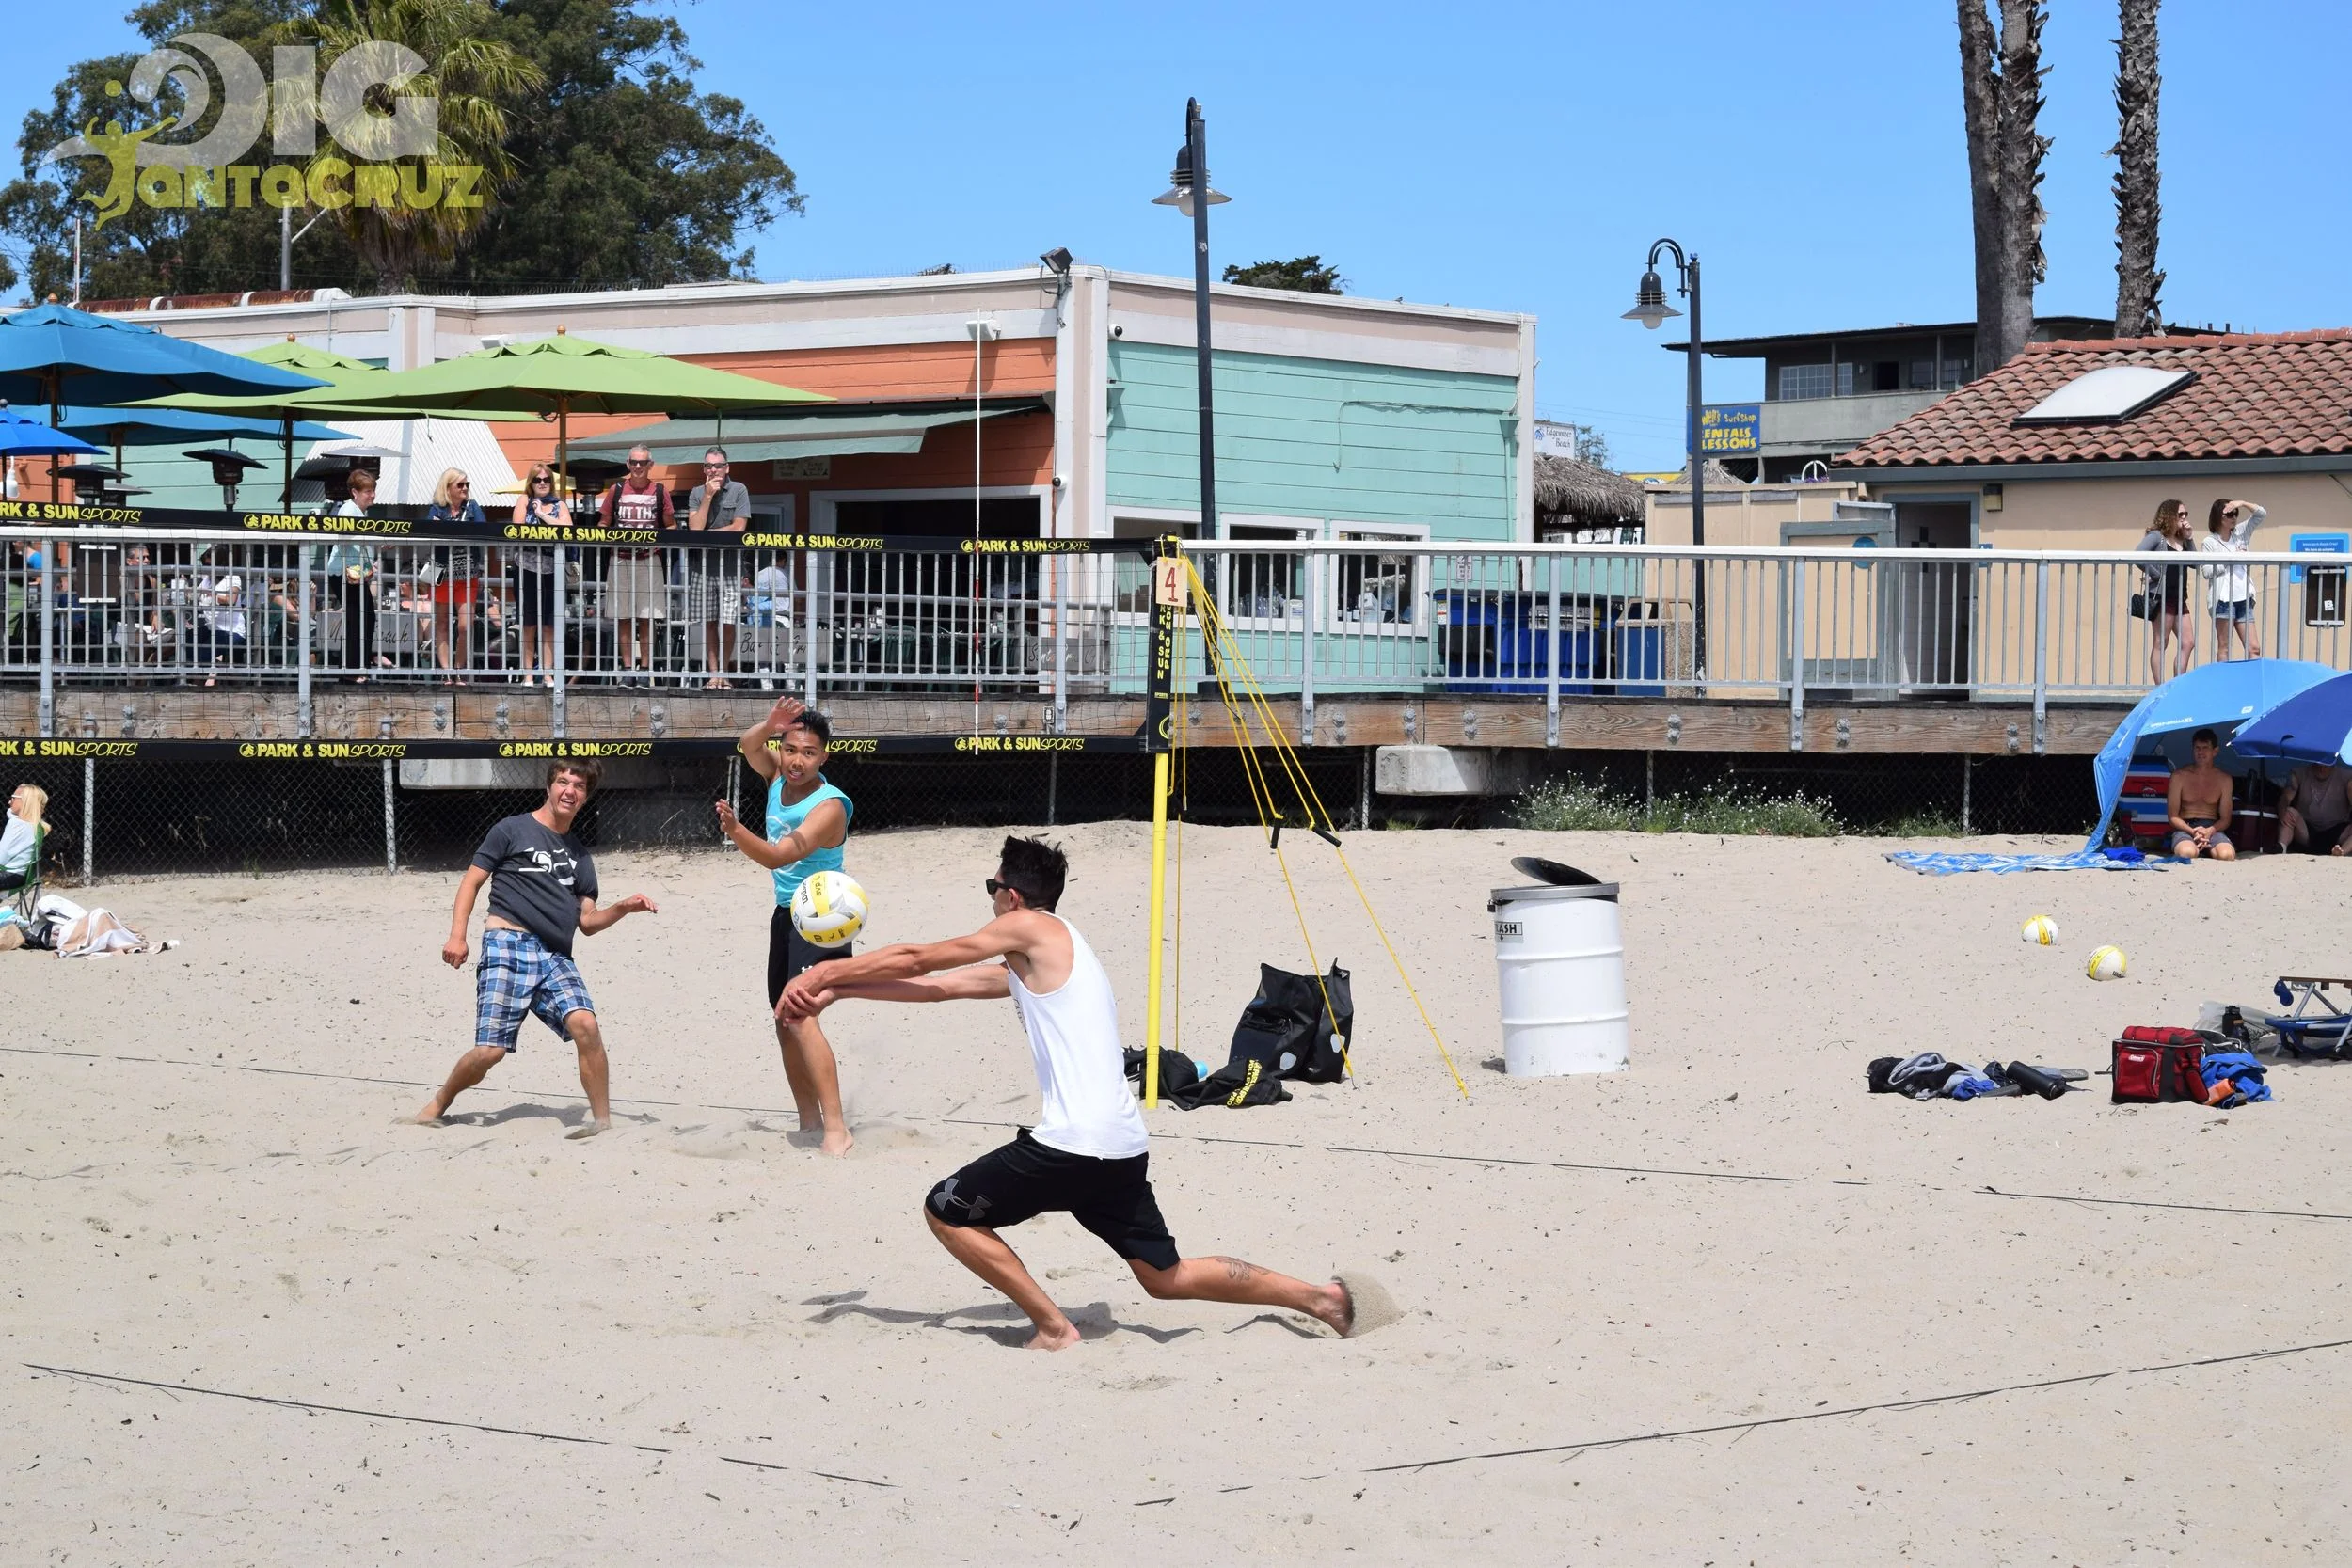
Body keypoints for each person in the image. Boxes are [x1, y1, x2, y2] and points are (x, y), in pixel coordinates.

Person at [781, 835, 1364, 1351]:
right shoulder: (1057, 952)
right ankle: (1320, 1298)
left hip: (1071, 1145)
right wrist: (843, 995)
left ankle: (1054, 1327)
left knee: (946, 1210)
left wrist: (822, 972)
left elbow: (919, 956)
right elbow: (938, 987)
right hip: (1120, 1145)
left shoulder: (1027, 926)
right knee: (1167, 1278)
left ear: (1012, 896)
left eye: (993, 886)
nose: (990, 898)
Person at [407, 759, 658, 1137]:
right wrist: (457, 935)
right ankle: (440, 1101)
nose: (569, 790)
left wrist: (623, 908)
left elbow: (587, 923)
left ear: (585, 796)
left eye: (578, 786)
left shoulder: (581, 856)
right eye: (563, 782)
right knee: (490, 1051)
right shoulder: (511, 829)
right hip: (508, 942)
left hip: (555, 955)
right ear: (549, 787)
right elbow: (471, 882)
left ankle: (602, 1122)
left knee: (585, 1024)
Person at [716, 695, 856, 1156]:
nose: (797, 761)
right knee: (783, 1019)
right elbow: (747, 746)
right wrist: (770, 724)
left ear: (825, 756)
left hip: (822, 919)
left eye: (809, 753)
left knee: (800, 1016)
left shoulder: (830, 805)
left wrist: (736, 832)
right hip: (786, 914)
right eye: (791, 749)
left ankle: (837, 1129)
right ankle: (808, 1120)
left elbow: (779, 855)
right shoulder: (778, 774)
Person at [598, 445, 673, 686]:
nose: (638, 467)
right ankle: (628, 668)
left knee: (647, 617)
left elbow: (671, 526)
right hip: (619, 559)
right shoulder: (616, 490)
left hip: (649, 559)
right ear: (628, 464)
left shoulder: (660, 491)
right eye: (634, 462)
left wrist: (657, 543)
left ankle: (645, 669)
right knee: (622, 616)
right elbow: (604, 521)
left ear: (651, 465)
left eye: (643, 463)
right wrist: (603, 538)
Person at [684, 446, 751, 689]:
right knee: (710, 621)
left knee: (729, 621)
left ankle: (724, 672)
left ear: (727, 467)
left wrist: (707, 535)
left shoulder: (739, 489)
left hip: (731, 568)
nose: (714, 470)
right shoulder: (696, 493)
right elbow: (694, 528)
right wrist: (708, 498)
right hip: (702, 568)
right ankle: (714, 675)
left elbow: (738, 527)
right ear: (704, 469)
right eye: (709, 466)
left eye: (718, 465)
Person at [426, 467, 487, 684]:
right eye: (460, 485)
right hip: (441, 570)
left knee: (465, 625)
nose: (465, 489)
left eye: (466, 485)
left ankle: (459, 668)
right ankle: (446, 671)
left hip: (468, 571)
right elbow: (430, 532)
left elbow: (482, 529)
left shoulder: (472, 507)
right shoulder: (437, 508)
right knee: (441, 622)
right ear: (448, 487)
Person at [509, 463, 567, 687]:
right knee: (528, 624)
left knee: (549, 625)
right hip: (526, 568)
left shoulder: (559, 504)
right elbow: (517, 528)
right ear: (531, 483)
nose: (542, 483)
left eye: (546, 480)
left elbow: (567, 528)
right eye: (537, 480)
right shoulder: (524, 500)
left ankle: (547, 673)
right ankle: (528, 674)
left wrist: (542, 514)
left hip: (553, 569)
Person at [323, 468, 382, 683]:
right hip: (345, 572)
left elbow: (357, 542)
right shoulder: (349, 509)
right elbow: (346, 538)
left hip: (351, 573)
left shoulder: (358, 511)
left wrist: (377, 546)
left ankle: (351, 668)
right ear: (354, 492)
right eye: (368, 491)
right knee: (361, 618)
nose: (372, 495)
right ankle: (354, 669)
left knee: (361, 618)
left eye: (373, 490)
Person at [2137, 499, 2196, 684]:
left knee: (2188, 642)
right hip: (2162, 596)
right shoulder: (2157, 536)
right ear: (2170, 515)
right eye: (2180, 514)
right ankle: (2160, 687)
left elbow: (2195, 563)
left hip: (2179, 597)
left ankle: (2177, 684)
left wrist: (2190, 538)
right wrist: (2156, 575)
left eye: (2186, 514)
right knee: (2161, 642)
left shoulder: (2181, 539)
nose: (2184, 517)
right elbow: (2138, 555)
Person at [2201, 499, 2268, 660]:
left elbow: (2261, 514)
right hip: (2224, 600)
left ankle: (2254, 682)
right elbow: (2206, 571)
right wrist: (2230, 560)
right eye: (2229, 514)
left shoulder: (2240, 532)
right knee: (2224, 648)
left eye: (2236, 513)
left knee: (2254, 648)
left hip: (2244, 598)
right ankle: (2222, 684)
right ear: (2219, 517)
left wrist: (2243, 503)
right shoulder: (2209, 542)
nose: (2234, 517)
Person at [2167, 728, 2237, 861]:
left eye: (2205, 748)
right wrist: (2193, 832)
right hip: (2185, 826)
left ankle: (2207, 848)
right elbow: (2173, 817)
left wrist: (2209, 831)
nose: (2201, 752)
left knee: (2227, 855)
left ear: (2215, 751)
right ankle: (2196, 846)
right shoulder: (2179, 776)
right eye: (2197, 748)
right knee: (2187, 853)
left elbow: (2226, 819)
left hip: (2212, 828)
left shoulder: (2224, 779)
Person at [2277, 760, 2352, 856]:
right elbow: (2286, 798)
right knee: (2289, 812)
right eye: (2319, 762)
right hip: (2306, 831)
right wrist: (2282, 811)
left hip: (2338, 832)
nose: (2322, 767)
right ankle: (2281, 847)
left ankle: (2340, 852)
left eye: (2326, 763)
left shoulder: (2347, 777)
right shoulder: (2299, 773)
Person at [0, 783, 46, 893]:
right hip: (21, 876)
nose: (9, 802)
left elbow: (1, 857)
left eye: (13, 798)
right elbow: (11, 814)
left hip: (8, 876)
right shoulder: (34, 825)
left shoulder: (16, 825)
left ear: (25, 801)